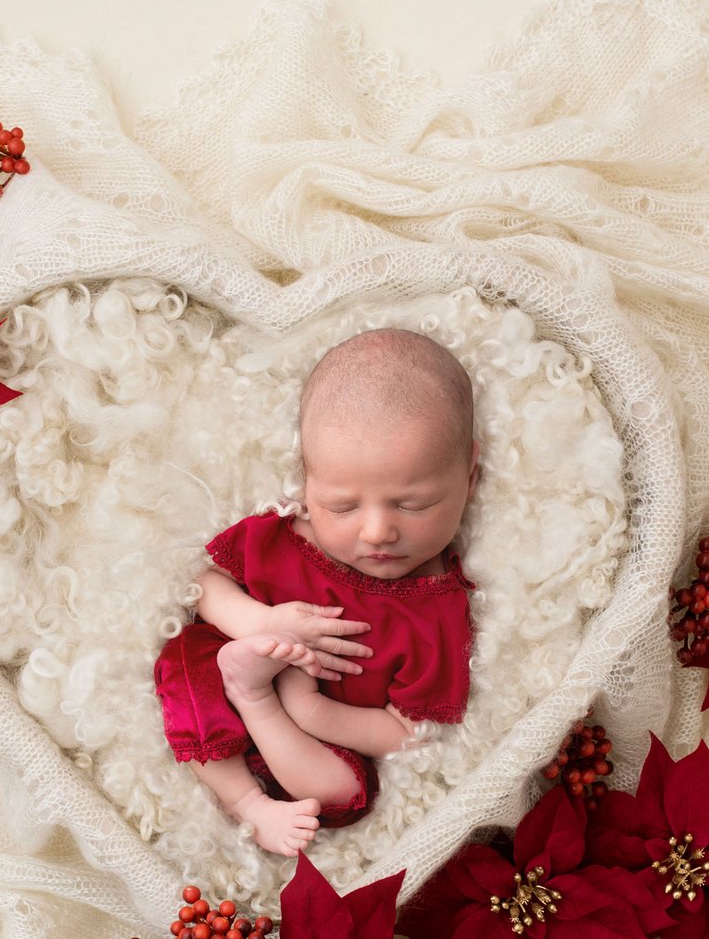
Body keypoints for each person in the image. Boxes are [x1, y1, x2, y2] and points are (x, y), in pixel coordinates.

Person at [154, 326, 479, 855]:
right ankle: (249, 805)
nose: (377, 532)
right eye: (343, 507)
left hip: (314, 743)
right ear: (307, 483)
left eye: (413, 505)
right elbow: (200, 582)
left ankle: (257, 697)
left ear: (470, 475)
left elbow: (405, 734)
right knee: (188, 668)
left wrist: (309, 712)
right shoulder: (287, 541)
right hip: (229, 679)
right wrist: (257, 623)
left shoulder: (440, 612)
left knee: (350, 794)